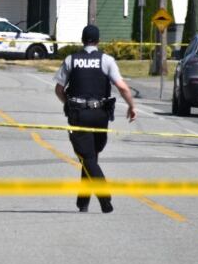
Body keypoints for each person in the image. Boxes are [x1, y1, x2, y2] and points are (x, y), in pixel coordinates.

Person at [54, 24, 137, 213]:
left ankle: (104, 197)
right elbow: (122, 87)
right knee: (91, 155)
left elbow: (59, 89)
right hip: (100, 115)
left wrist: (67, 103)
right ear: (98, 41)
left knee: (88, 157)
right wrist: (132, 106)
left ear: (82, 40)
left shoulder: (71, 60)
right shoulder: (106, 60)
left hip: (79, 114)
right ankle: (83, 201)